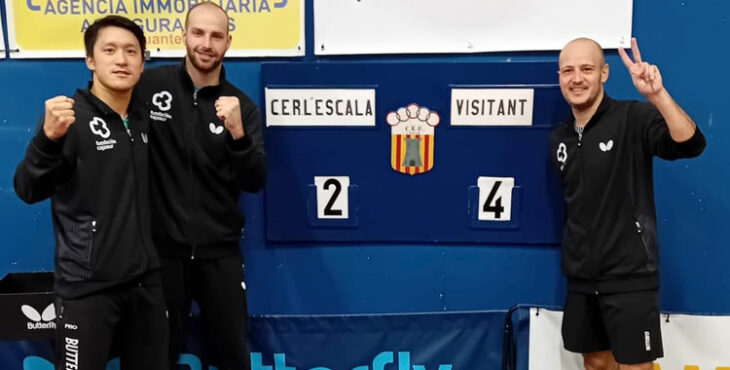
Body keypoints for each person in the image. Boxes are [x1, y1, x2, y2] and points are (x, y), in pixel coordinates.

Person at [14, 15, 168, 370]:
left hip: (146, 285)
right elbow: (27, 189)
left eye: (131, 51)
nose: (121, 59)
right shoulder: (68, 118)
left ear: (143, 63)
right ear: (90, 60)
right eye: (110, 50)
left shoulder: (144, 120)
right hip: (87, 289)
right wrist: (46, 141)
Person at [550, 37, 706, 370]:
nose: (577, 78)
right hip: (580, 278)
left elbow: (690, 143)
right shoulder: (559, 138)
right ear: (560, 76)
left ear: (604, 73)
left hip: (629, 277)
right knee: (594, 362)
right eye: (568, 70)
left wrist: (657, 96)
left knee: (636, 367)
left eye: (587, 69)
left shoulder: (631, 118)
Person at [136, 2, 267, 369]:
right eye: (198, 33)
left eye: (216, 35)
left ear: (228, 42)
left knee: (232, 358)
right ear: (183, 36)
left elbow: (255, 180)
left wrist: (238, 135)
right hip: (161, 257)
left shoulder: (242, 106)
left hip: (220, 256)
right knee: (155, 358)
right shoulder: (149, 87)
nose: (206, 43)